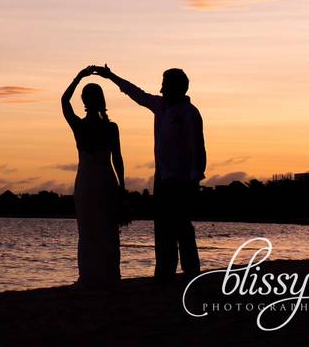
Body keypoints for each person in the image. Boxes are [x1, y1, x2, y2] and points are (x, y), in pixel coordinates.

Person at [92, 64, 206, 283]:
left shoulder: (190, 113)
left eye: (165, 84)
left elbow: (198, 147)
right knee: (163, 229)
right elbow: (136, 93)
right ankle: (164, 273)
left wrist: (195, 178)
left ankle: (192, 273)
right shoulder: (160, 106)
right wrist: (111, 76)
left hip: (183, 181)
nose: (161, 89)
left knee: (182, 227)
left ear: (176, 87)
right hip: (162, 179)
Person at [61, 66, 126, 289]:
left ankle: (90, 277)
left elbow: (64, 101)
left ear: (85, 101)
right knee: (107, 230)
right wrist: (122, 187)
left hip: (88, 181)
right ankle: (108, 276)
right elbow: (118, 159)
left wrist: (79, 76)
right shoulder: (110, 127)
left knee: (88, 230)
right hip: (106, 180)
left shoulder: (80, 126)